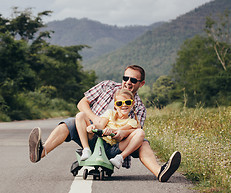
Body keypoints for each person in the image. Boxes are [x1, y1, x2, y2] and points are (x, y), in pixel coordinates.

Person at [28, 65, 181, 182]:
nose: (128, 82)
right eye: (125, 78)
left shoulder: (139, 107)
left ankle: (160, 172)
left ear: (141, 84)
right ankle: (40, 152)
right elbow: (82, 103)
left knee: (143, 142)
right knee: (69, 123)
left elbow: (136, 129)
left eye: (133, 80)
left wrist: (122, 133)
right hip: (91, 135)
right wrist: (96, 121)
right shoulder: (107, 86)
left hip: (115, 146)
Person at [76, 89, 144, 170]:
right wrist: (93, 126)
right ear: (115, 105)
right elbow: (100, 125)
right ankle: (86, 149)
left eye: (128, 102)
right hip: (99, 143)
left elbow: (119, 130)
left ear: (132, 104)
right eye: (119, 103)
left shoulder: (131, 122)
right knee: (80, 115)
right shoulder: (110, 113)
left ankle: (120, 158)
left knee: (140, 132)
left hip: (114, 148)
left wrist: (109, 131)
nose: (124, 105)